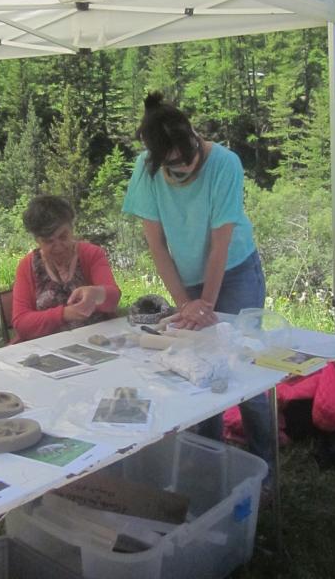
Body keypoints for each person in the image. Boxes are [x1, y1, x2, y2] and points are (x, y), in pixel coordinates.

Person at [122, 91, 271, 464]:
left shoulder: (225, 163)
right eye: (173, 167)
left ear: (194, 135)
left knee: (243, 364)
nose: (184, 169)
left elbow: (220, 246)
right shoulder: (145, 169)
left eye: (188, 159)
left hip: (234, 270)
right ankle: (210, 463)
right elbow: (157, 247)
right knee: (198, 368)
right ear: (157, 161)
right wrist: (188, 303)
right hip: (186, 279)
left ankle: (264, 460)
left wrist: (204, 303)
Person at [11, 195, 121, 342]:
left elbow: (113, 298)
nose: (58, 246)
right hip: (49, 347)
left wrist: (96, 293)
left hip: (96, 341)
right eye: (48, 241)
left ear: (72, 228)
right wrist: (64, 314)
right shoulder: (27, 266)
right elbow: (21, 323)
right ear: (37, 240)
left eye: (63, 236)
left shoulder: (91, 254)